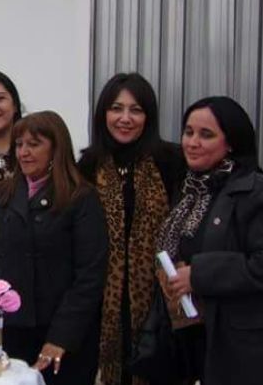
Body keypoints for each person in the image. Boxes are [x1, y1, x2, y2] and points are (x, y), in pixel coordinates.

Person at [158, 96, 263, 385]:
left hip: (253, 350)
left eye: (206, 135)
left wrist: (199, 274)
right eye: (188, 132)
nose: (192, 142)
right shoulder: (192, 191)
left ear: (231, 143)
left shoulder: (258, 190)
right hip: (204, 338)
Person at [77, 73, 184, 385]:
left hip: (160, 302)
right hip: (104, 303)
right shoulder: (88, 166)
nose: (125, 118)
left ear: (147, 116)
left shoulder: (171, 161)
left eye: (135, 110)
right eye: (116, 109)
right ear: (103, 115)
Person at [0, 111, 108, 385]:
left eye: (34, 144)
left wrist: (61, 338)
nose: (24, 152)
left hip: (63, 336)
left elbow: (90, 276)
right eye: (19, 144)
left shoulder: (81, 198)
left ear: (56, 148)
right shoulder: (5, 194)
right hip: (14, 332)